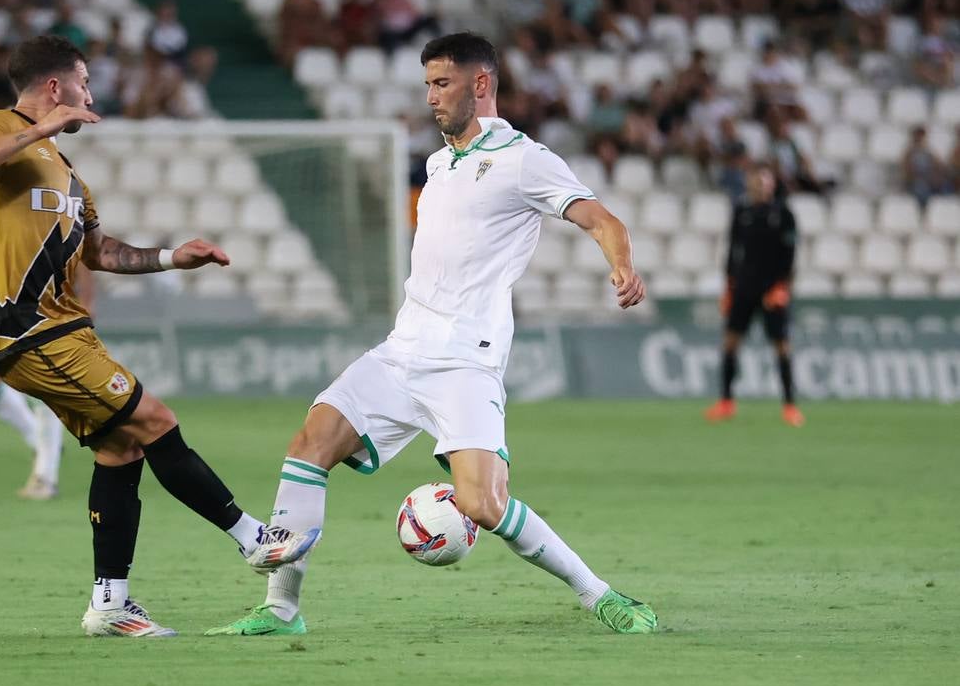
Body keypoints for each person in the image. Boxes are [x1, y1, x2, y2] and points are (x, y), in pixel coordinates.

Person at [207, 33, 657, 638]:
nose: (430, 98)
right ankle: (281, 609)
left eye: (441, 84)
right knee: (311, 442)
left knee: (483, 506)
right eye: (426, 85)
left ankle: (599, 594)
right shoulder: (439, 161)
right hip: (402, 350)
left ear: (481, 84)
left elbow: (602, 219)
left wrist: (621, 264)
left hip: (466, 362)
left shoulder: (526, 159)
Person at [0, 35, 317, 637]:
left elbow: (101, 253)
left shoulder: (68, 175)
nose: (91, 96)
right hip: (33, 334)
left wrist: (173, 256)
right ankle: (253, 539)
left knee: (122, 450)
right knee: (158, 420)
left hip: (70, 332)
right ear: (56, 88)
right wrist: (40, 129)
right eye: (84, 84)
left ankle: (110, 604)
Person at [0, 209, 73, 500]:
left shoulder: (45, 177)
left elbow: (76, 236)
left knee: (43, 381)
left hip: (37, 295)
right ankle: (37, 438)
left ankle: (44, 476)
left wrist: (85, 295)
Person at [705, 164, 803, 428]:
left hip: (772, 289)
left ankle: (790, 405)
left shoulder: (784, 214)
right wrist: (728, 286)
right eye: (756, 182)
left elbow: (790, 255)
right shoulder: (742, 212)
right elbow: (732, 251)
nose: (760, 186)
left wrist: (783, 287)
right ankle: (726, 401)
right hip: (744, 288)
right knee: (730, 343)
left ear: (772, 185)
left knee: (781, 345)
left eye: (765, 182)